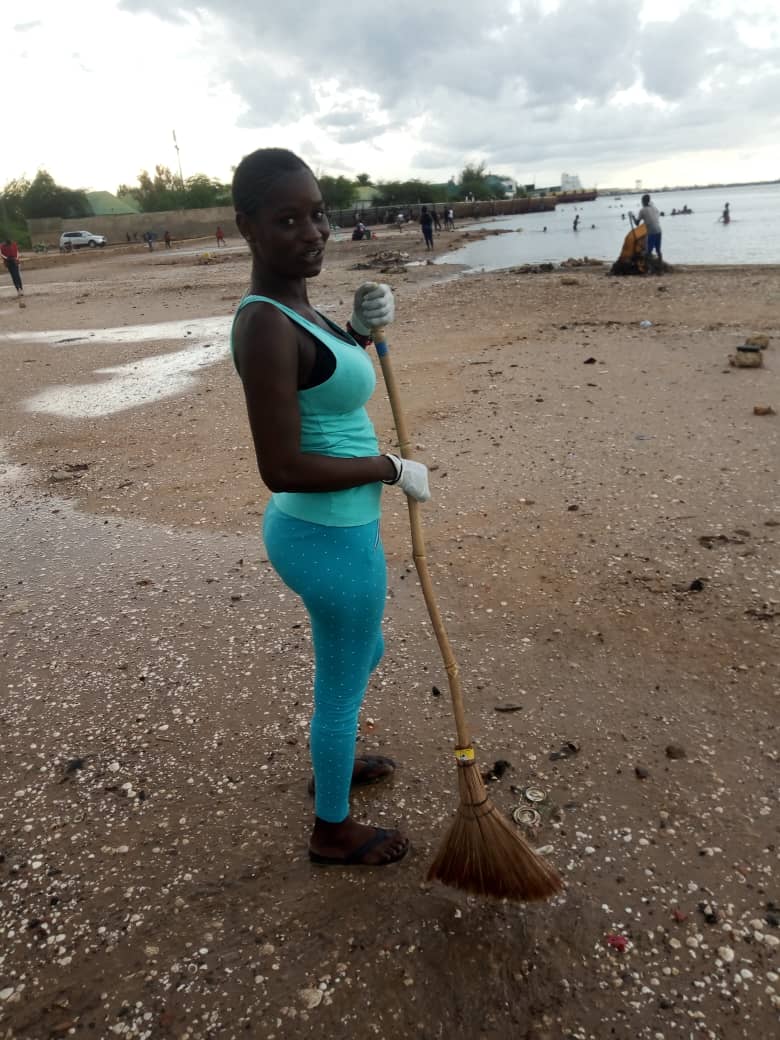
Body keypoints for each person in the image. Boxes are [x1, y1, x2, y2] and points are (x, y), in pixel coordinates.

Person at [230, 147, 431, 867]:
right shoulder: (266, 325)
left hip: (335, 531)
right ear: (248, 228)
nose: (313, 231)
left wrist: (361, 331)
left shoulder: (298, 307)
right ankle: (332, 829)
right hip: (326, 535)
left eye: (318, 214)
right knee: (343, 682)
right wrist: (389, 467)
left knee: (359, 653)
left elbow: (326, 378)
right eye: (289, 220)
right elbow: (278, 466)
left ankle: (334, 756)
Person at [635, 193, 663, 268]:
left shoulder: (642, 210)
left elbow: (637, 223)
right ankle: (660, 267)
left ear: (643, 201)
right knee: (658, 250)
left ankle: (648, 269)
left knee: (648, 252)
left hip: (652, 232)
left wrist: (633, 217)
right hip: (659, 230)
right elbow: (655, 218)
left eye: (642, 201)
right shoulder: (654, 208)